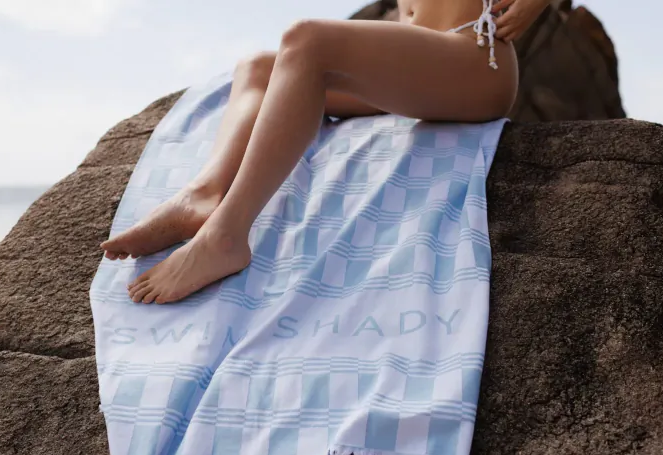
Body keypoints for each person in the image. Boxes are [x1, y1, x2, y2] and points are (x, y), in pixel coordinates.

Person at [101, 0, 550, 304]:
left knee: (307, 39)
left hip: (471, 57)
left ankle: (225, 235)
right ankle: (203, 193)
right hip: (414, 70)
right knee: (258, 67)